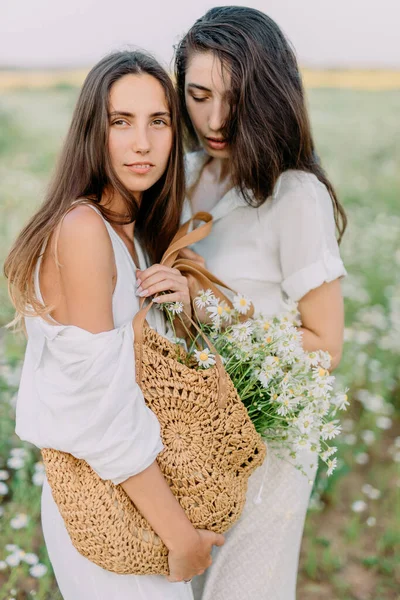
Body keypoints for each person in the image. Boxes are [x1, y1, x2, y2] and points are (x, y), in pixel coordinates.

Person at [4, 50, 223, 600]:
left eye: (159, 121)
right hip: (107, 501)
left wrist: (183, 305)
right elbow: (102, 412)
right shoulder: (83, 229)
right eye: (119, 122)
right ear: (91, 132)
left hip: (135, 495)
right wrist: (183, 539)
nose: (142, 143)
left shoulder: (133, 230)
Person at [173, 7, 347, 600]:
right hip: (184, 429)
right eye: (198, 95)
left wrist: (210, 314)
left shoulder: (294, 194)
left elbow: (326, 344)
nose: (215, 118)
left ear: (272, 95)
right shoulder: (183, 173)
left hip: (266, 439)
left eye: (236, 98)